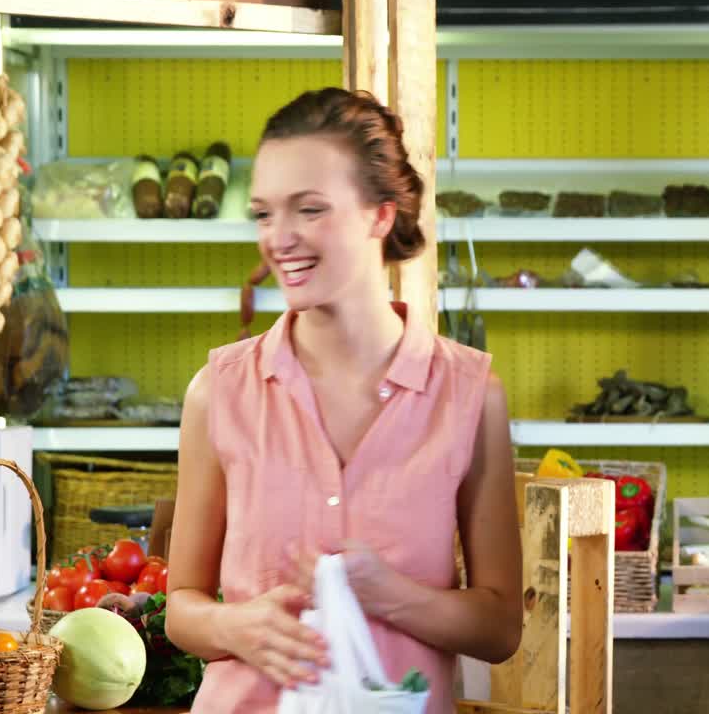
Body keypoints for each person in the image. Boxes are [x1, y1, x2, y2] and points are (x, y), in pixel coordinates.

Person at [165, 87, 523, 714]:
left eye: (309, 210)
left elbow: (499, 629)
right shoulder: (218, 390)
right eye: (263, 214)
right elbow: (183, 606)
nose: (280, 239)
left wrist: (389, 595)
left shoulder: (469, 394)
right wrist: (235, 627)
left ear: (379, 215)